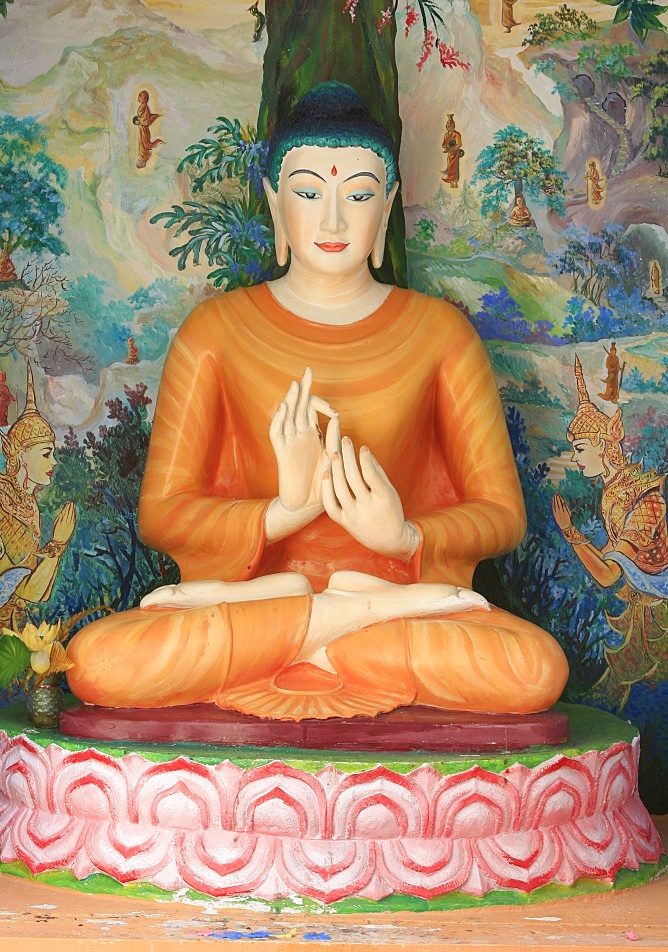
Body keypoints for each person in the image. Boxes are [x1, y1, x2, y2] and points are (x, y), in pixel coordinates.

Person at [67, 82, 567, 719]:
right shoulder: (214, 332)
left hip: (370, 604)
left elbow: (501, 515)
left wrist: (405, 536)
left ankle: (323, 622)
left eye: (357, 196)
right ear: (276, 203)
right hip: (266, 600)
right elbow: (163, 515)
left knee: (532, 670)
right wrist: (282, 512)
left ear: (386, 206)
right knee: (97, 661)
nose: (333, 221)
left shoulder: (441, 334)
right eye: (308, 193)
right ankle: (341, 618)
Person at [552, 356, 668, 708]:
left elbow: (607, 575)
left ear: (604, 446)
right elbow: (610, 556)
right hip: (641, 605)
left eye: (580, 448)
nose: (575, 458)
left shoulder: (645, 502)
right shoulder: (614, 492)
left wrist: (571, 532)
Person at [0, 364, 76, 631]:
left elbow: (34, 590)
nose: (54, 462)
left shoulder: (28, 504)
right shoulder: (4, 502)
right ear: (20, 455)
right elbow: (29, 591)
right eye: (46, 453)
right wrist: (58, 543)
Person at [133, 90, 164, 169]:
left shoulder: (145, 107)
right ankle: (142, 158)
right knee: (142, 144)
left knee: (145, 144)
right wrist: (137, 121)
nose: (138, 98)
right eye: (138, 96)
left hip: (144, 129)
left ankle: (144, 159)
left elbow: (146, 119)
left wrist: (139, 121)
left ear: (145, 98)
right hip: (142, 129)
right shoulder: (142, 107)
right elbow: (141, 118)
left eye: (140, 96)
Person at [441, 114, 464, 188]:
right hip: (450, 154)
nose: (448, 127)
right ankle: (450, 181)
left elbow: (459, 144)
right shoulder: (446, 135)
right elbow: (444, 145)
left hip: (456, 153)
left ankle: (455, 181)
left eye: (450, 126)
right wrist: (447, 147)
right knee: (449, 167)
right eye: (447, 126)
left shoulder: (457, 134)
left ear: (453, 126)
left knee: (455, 167)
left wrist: (452, 148)